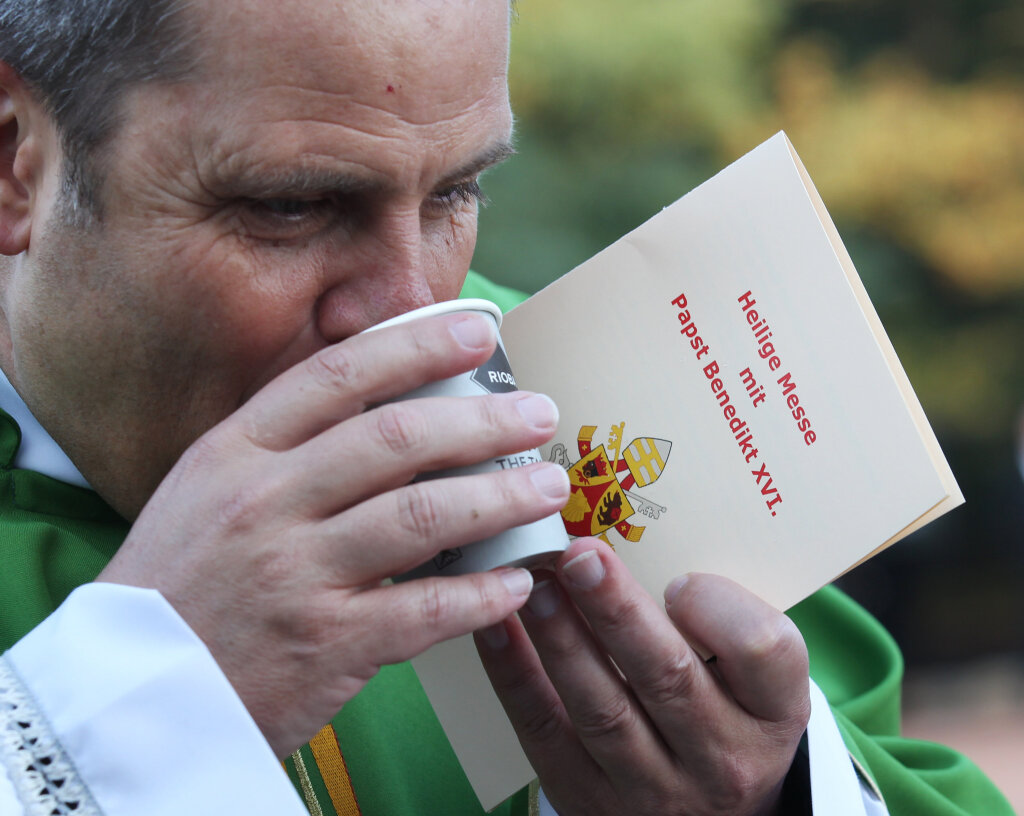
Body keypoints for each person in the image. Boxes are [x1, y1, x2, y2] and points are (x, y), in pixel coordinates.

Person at [0, 0, 1013, 814]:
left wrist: (770, 796)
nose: (416, 313)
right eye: (290, 206)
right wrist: (106, 727)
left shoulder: (551, 384)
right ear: (16, 163)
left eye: (455, 192)